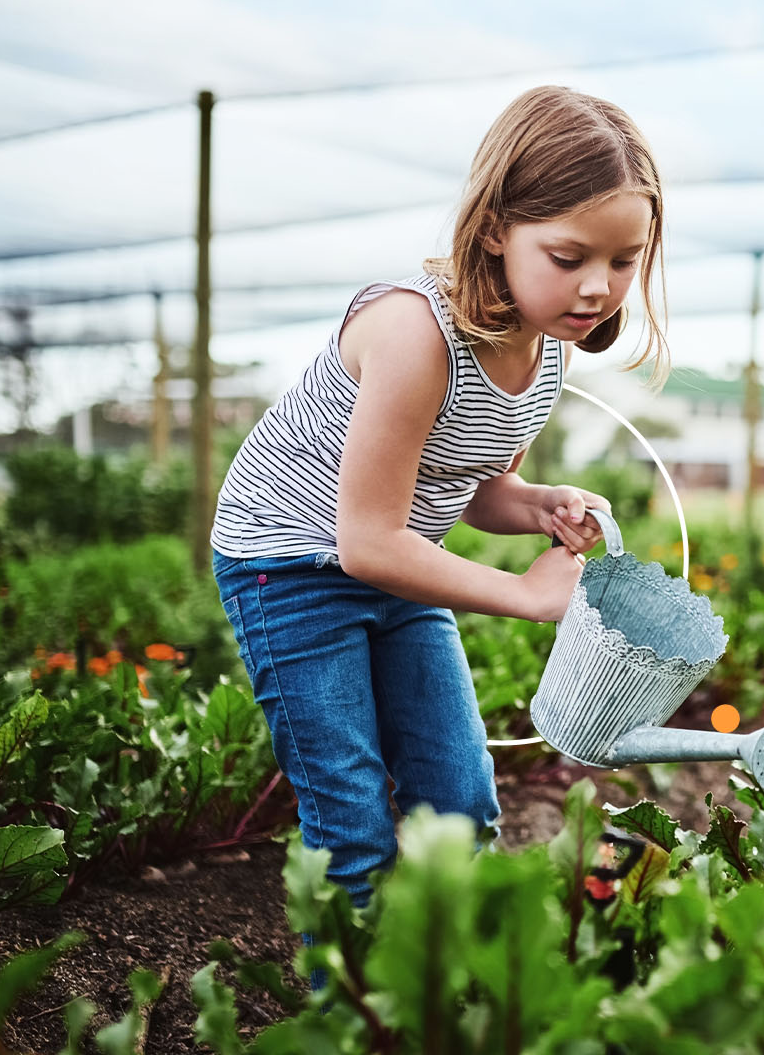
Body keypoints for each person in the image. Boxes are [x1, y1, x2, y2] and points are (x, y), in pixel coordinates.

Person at [210, 86, 668, 910]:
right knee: (352, 825)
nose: (598, 288)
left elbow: (474, 489)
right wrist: (526, 595)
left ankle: (443, 992)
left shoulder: (545, 350)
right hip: (289, 568)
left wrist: (538, 505)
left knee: (459, 803)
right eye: (569, 258)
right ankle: (358, 1023)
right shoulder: (413, 334)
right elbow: (369, 540)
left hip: (395, 570)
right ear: (495, 227)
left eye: (623, 260)